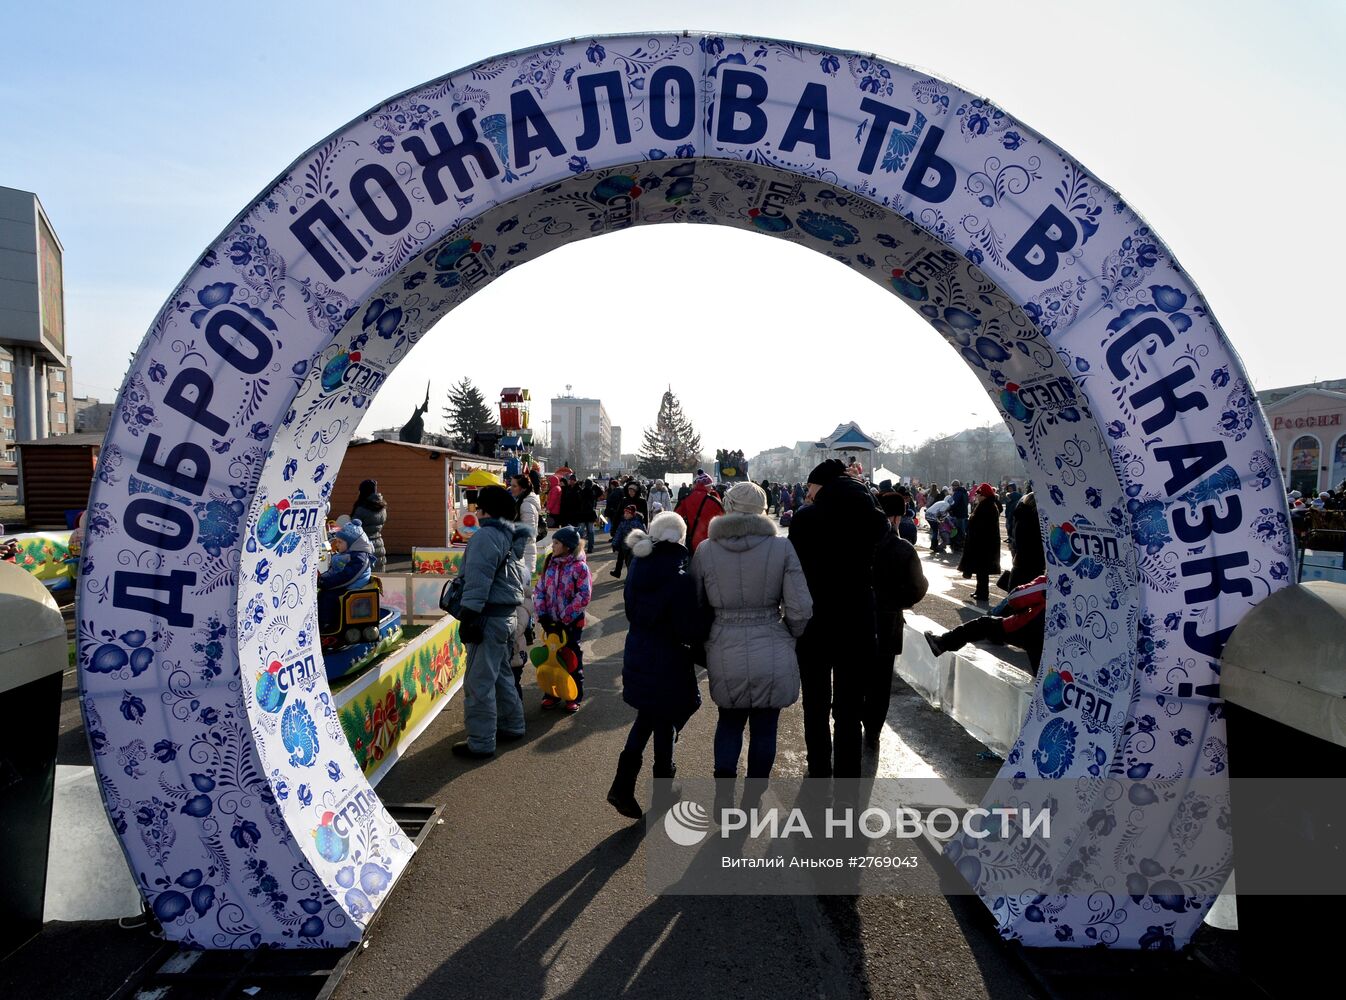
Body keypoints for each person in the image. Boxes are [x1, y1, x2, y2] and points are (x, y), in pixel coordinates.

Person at [692, 483, 812, 811]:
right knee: (765, 726)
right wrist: (787, 633)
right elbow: (800, 607)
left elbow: (696, 604)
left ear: (728, 507)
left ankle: (722, 793)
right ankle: (752, 798)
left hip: (724, 642)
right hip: (771, 640)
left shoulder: (706, 550)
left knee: (729, 721)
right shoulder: (781, 548)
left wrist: (707, 638)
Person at [788, 459, 887, 779]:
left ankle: (818, 766)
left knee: (815, 703)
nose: (807, 492)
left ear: (822, 484)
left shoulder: (806, 519)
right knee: (849, 709)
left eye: (810, 486)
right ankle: (848, 772)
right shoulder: (873, 517)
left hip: (816, 622)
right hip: (858, 621)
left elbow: (794, 570)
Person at [607, 512, 703, 820]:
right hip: (670, 655)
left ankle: (639, 788)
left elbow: (632, 608)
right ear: (679, 537)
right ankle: (640, 788)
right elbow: (688, 623)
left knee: (655, 716)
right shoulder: (679, 570)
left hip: (640, 648)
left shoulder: (639, 562)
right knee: (663, 715)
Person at [452, 485, 531, 760]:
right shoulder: (508, 536)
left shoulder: (486, 536)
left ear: (486, 509)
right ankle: (513, 725)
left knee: (478, 683)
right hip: (506, 616)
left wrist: (469, 617)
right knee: (501, 676)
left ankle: (481, 742)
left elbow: (478, 580)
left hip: (487, 617)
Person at [868, 493, 929, 746]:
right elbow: (918, 587)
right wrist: (898, 602)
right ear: (896, 516)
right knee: (881, 681)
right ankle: (872, 730)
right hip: (888, 620)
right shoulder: (903, 548)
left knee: (855, 675)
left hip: (856, 619)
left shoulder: (857, 542)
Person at [925, 575, 1047, 673]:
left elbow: (1016, 598)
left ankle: (942, 643)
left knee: (983, 624)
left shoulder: (1049, 582)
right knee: (1045, 669)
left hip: (1029, 627)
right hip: (1055, 634)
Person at [532, 526, 592, 713]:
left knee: (570, 657)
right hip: (550, 621)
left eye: (556, 542)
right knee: (551, 658)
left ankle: (572, 695)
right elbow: (540, 589)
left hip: (570, 623)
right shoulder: (551, 562)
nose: (553, 545)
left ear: (567, 546)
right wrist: (542, 613)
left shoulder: (579, 567)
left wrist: (565, 618)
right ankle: (552, 693)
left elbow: (583, 596)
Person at [509, 474, 542, 697]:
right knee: (521, 597)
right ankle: (525, 630)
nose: (510, 489)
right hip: (522, 555)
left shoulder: (527, 504)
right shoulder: (524, 502)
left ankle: (526, 631)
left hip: (524, 555)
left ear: (522, 487)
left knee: (522, 598)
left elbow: (527, 533)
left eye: (513, 486)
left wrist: (516, 549)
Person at [318, 519, 375, 632]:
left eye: (340, 542)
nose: (337, 544)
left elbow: (348, 577)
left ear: (351, 544)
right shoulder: (347, 554)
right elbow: (334, 572)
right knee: (321, 593)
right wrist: (322, 578)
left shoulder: (360, 558)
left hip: (353, 587)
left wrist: (325, 582)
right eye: (337, 541)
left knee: (328, 596)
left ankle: (325, 625)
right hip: (346, 584)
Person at [959, 483, 1002, 602]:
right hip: (983, 543)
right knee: (980, 570)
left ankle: (983, 593)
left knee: (982, 570)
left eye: (979, 493)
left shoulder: (987, 507)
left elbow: (982, 527)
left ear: (984, 495)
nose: (977, 495)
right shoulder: (986, 505)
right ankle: (979, 591)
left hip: (983, 544)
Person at [674, 472, 725, 553]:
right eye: (710, 486)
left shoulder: (685, 499)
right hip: (709, 542)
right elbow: (723, 521)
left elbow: (676, 518)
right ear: (707, 486)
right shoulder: (713, 501)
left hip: (690, 541)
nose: (711, 488)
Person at [349, 480, 388, 572]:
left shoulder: (362, 508)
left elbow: (354, 527)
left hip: (364, 545)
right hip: (379, 543)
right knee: (378, 577)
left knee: (364, 575)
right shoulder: (382, 506)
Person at [1008, 491, 1044, 589]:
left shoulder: (1021, 515)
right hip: (1032, 561)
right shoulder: (1033, 519)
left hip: (1021, 559)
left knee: (1015, 593)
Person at [609, 504, 646, 578]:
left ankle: (629, 578)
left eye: (627, 513)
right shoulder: (623, 522)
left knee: (630, 563)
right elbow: (618, 533)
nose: (625, 515)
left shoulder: (637, 523)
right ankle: (622, 574)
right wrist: (614, 543)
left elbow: (643, 533)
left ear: (632, 514)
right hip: (624, 546)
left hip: (633, 547)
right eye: (625, 513)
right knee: (625, 561)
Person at [947, 480, 970, 551]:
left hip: (959, 514)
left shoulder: (958, 493)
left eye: (953, 486)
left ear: (956, 486)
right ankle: (962, 544)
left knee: (959, 530)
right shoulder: (965, 492)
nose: (952, 487)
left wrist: (949, 508)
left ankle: (959, 545)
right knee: (963, 530)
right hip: (964, 513)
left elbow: (954, 503)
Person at [1002, 482, 1022, 553]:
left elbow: (1012, 509)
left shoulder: (1014, 498)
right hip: (1009, 516)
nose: (1009, 489)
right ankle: (1010, 538)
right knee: (1009, 527)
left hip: (1011, 517)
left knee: (1010, 527)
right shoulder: (1011, 498)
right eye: (1008, 488)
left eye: (1010, 488)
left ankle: (1011, 539)